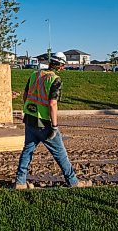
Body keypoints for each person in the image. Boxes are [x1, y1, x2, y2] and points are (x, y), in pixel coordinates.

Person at [15, 52, 92, 189]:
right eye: (63, 65)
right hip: (44, 123)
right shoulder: (55, 80)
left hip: (29, 119)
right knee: (60, 153)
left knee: (27, 151)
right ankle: (73, 182)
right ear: (60, 65)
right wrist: (54, 126)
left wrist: (30, 109)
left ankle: (20, 182)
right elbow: (52, 104)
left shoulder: (35, 74)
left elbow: (26, 95)